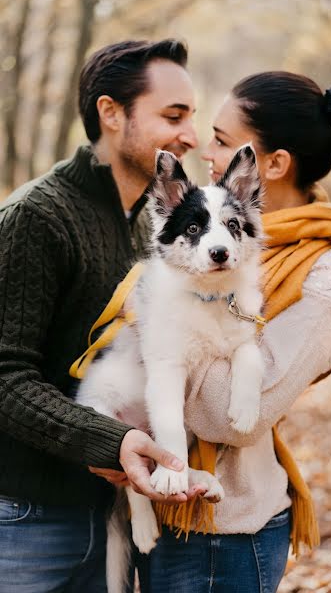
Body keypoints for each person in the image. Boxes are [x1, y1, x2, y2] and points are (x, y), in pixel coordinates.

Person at [140, 72, 331, 592]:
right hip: (168, 508)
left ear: (271, 165)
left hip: (226, 531)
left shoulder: (321, 273)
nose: (206, 153)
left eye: (223, 141)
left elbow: (230, 418)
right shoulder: (237, 245)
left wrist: (156, 351)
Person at [0, 39, 204, 592]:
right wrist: (107, 440)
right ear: (111, 114)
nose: (190, 134)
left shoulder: (152, 227)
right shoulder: (35, 218)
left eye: (192, 116)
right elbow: (5, 376)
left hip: (111, 519)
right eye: (173, 115)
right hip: (24, 522)